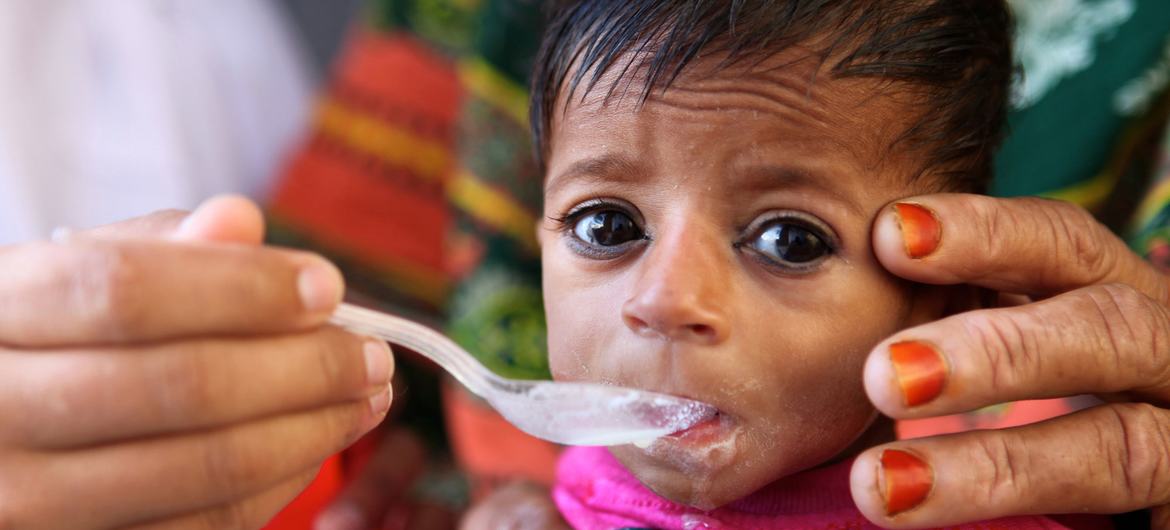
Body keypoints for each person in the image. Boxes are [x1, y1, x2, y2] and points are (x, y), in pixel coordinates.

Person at [473, 0, 1135, 527]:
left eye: (790, 240)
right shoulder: (561, 486)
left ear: (943, 298)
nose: (665, 300)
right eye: (607, 226)